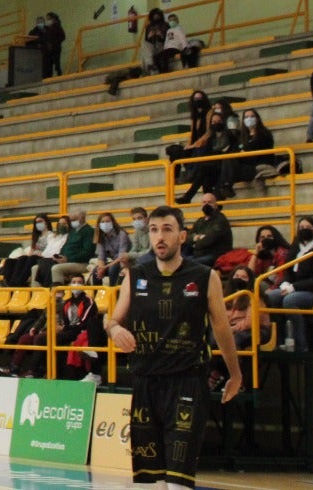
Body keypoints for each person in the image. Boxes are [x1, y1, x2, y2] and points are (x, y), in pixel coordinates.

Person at [106, 206, 242, 490]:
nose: (160, 237)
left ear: (182, 236)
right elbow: (113, 319)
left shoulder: (206, 276)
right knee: (146, 482)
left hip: (186, 383)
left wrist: (235, 374)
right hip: (145, 383)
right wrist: (116, 329)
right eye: (154, 230)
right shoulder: (135, 274)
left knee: (178, 481)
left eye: (167, 229)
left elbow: (221, 327)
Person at [262, 216, 313, 352]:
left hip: (312, 290)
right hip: (293, 286)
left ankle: (301, 344)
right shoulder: (296, 244)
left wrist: (294, 287)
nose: (304, 230)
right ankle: (279, 340)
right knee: (271, 296)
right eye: (301, 228)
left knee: (290, 300)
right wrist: (286, 282)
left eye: (308, 228)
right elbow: (288, 267)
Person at [0, 214, 52, 288]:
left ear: (46, 222)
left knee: (31, 258)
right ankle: (9, 282)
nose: (38, 224)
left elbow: (50, 250)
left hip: (44, 258)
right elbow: (31, 251)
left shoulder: (51, 235)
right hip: (34, 256)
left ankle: (17, 283)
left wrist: (37, 253)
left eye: (40, 221)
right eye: (36, 222)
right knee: (12, 260)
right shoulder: (36, 236)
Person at [49, 206, 96, 285]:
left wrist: (68, 259)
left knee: (56, 268)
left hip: (82, 263)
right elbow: (65, 246)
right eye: (71, 220)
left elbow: (87, 252)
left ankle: (58, 293)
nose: (72, 222)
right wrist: (60, 256)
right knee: (37, 267)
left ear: (82, 217)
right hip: (67, 260)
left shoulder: (89, 231)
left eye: (74, 220)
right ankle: (38, 293)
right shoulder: (73, 231)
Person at [184, 194, 232, 268]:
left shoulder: (220, 220)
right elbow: (187, 237)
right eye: (204, 202)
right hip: (198, 254)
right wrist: (196, 238)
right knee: (181, 260)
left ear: (215, 205)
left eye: (210, 202)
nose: (206, 205)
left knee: (190, 264)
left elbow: (209, 240)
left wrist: (196, 242)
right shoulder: (200, 221)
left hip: (216, 255)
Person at [91, 211, 131, 285]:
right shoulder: (101, 236)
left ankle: (114, 293)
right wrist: (101, 268)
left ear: (112, 222)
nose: (105, 224)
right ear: (99, 224)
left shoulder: (121, 234)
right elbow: (101, 257)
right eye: (102, 222)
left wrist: (105, 267)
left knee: (112, 269)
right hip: (113, 262)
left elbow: (121, 257)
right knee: (96, 271)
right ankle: (97, 295)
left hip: (125, 262)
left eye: (107, 221)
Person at [139, 8, 169, 75]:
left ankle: (148, 68)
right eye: (154, 15)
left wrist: (161, 35)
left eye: (157, 15)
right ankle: (151, 65)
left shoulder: (165, 25)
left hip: (162, 45)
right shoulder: (149, 27)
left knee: (144, 55)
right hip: (152, 46)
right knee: (144, 45)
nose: (156, 16)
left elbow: (169, 39)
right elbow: (146, 40)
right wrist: (149, 36)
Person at [42, 12, 66, 77]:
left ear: (54, 19)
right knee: (48, 64)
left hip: (55, 48)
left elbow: (62, 36)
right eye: (47, 19)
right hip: (49, 49)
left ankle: (59, 75)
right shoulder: (47, 28)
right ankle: (48, 76)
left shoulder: (57, 27)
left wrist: (54, 43)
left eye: (49, 19)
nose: (47, 21)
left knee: (56, 63)